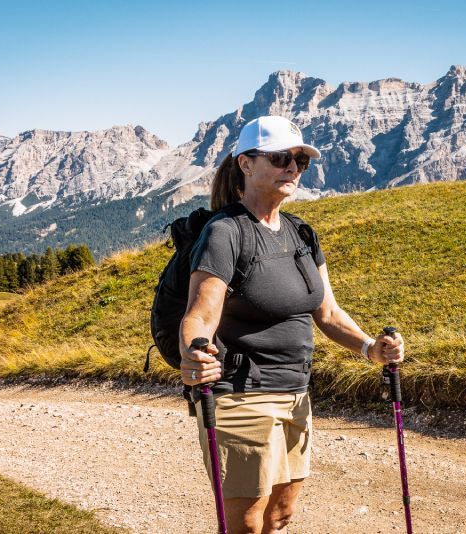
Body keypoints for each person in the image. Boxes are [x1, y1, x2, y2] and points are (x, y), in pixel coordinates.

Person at [179, 115, 404, 533]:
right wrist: (193, 351)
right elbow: (202, 310)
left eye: (300, 161)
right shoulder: (225, 232)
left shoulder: (301, 233)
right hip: (240, 398)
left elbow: (329, 313)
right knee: (245, 525)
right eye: (281, 157)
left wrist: (370, 347)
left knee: (280, 518)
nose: (292, 168)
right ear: (245, 164)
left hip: (296, 393)